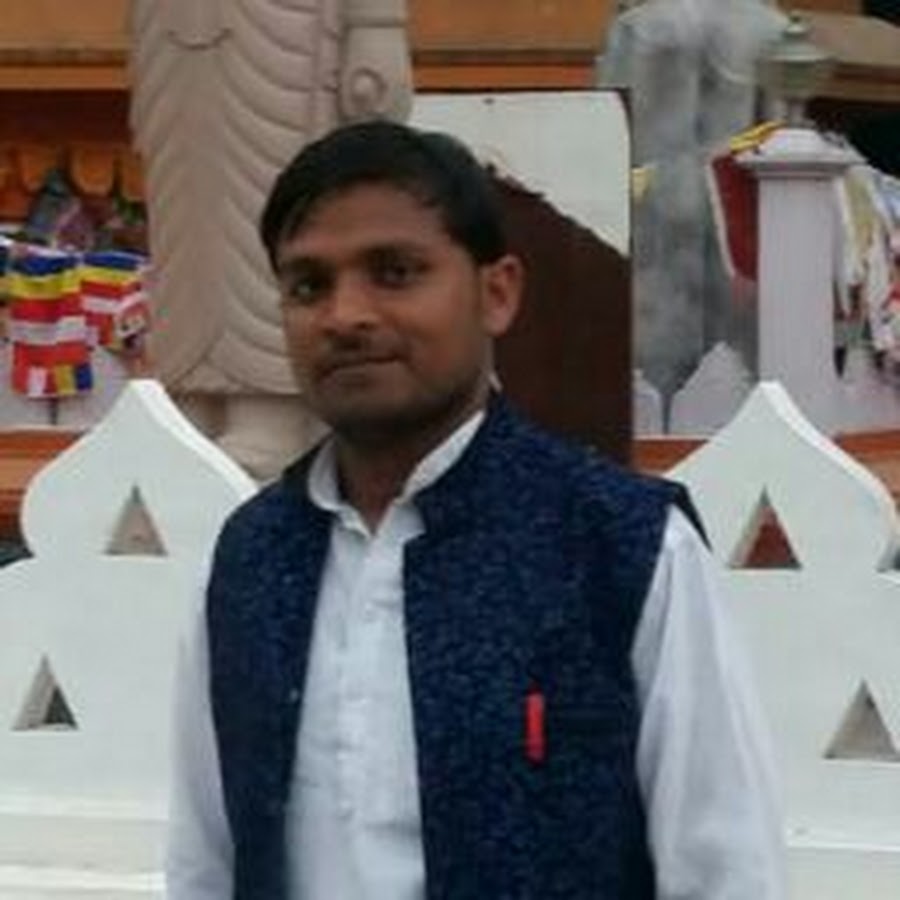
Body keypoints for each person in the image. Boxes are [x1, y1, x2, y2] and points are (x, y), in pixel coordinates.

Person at [166, 120, 785, 899]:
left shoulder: (619, 546)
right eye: (309, 285)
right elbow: (204, 860)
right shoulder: (252, 559)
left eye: (394, 272)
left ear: (496, 293)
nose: (345, 315)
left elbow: (727, 869)